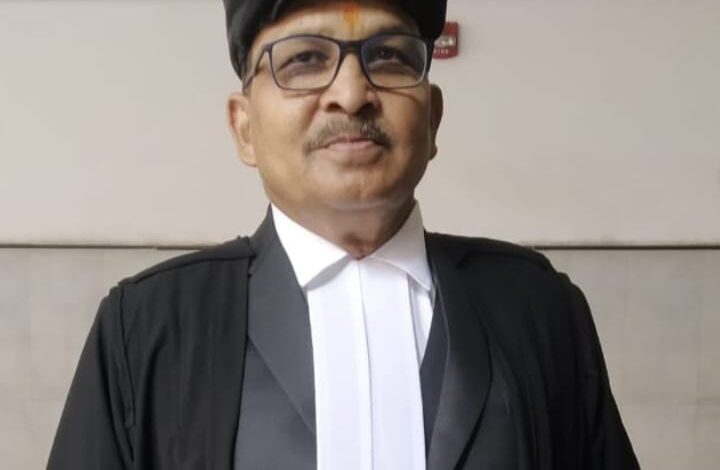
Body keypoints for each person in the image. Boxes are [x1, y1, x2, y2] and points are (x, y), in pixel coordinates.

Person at [48, 0, 640, 469]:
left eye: (389, 56)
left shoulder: (538, 310)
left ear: (432, 119)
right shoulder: (148, 328)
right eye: (304, 59)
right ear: (244, 126)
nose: (352, 94)